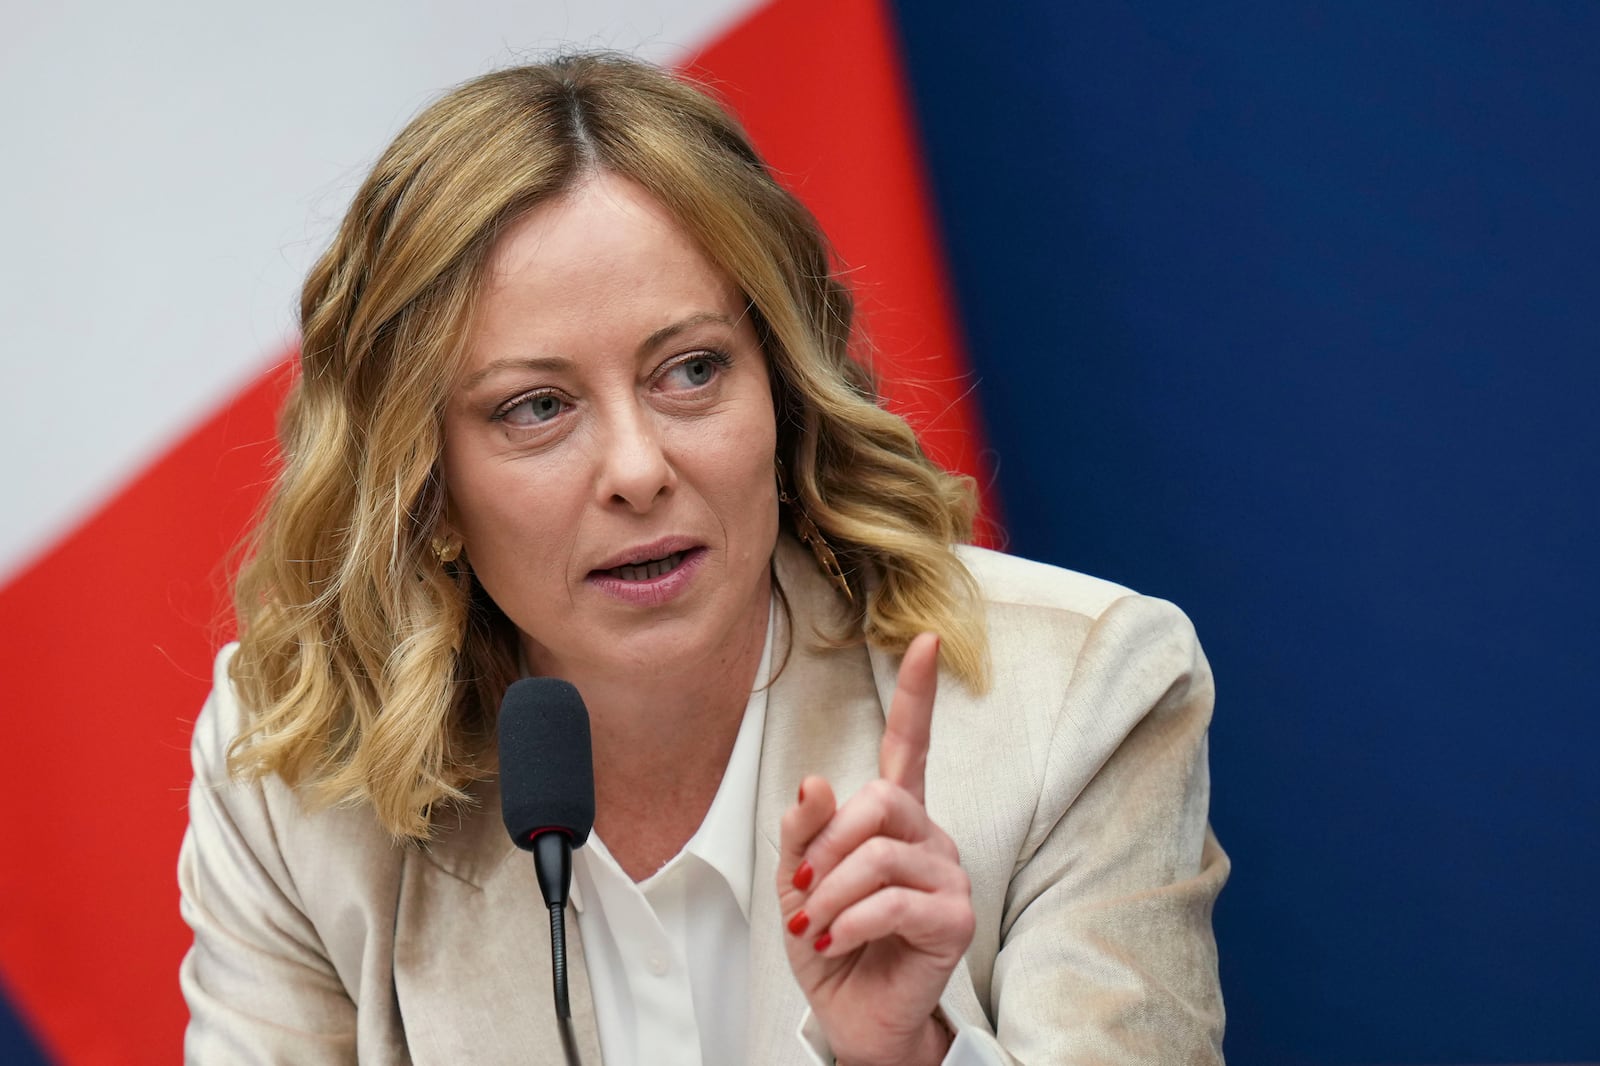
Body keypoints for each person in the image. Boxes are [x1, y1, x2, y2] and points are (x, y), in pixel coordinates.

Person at [179, 53, 1228, 1065]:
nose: (638, 469)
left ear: (779, 387)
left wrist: (907, 1056)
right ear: (426, 485)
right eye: (536, 408)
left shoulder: (1074, 706)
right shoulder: (293, 771)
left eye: (689, 371)